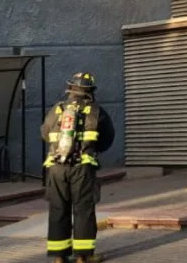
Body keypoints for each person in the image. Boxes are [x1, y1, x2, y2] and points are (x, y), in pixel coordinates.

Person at [41, 72, 115, 263]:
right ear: (90, 91)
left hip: (56, 168)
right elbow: (108, 138)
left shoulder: (57, 109)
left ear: (70, 88)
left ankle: (59, 256)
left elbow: (44, 133)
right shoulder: (97, 111)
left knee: (58, 209)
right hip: (82, 167)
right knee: (83, 210)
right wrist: (91, 150)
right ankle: (83, 257)